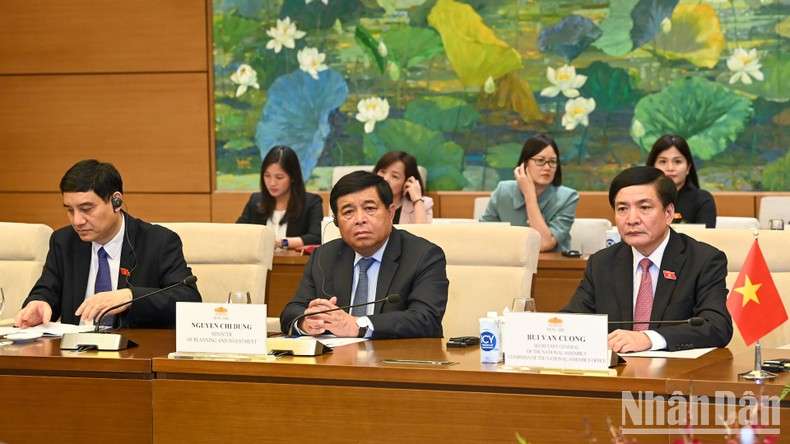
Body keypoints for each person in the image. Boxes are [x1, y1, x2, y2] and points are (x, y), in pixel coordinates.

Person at [562, 166, 732, 352]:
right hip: (618, 368)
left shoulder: (703, 260)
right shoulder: (601, 263)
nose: (631, 219)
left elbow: (717, 326)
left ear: (668, 213)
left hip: (675, 369)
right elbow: (572, 320)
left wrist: (649, 338)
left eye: (644, 207)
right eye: (622, 209)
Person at [15, 159, 201, 329]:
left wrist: (130, 296)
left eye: (86, 209)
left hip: (134, 350)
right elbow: (47, 290)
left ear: (116, 202)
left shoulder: (158, 241)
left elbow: (188, 299)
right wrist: (39, 303)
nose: (77, 221)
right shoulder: (64, 241)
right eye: (70, 210)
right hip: (74, 350)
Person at [280, 171, 449, 339]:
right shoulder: (323, 256)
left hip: (397, 354)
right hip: (336, 355)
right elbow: (292, 311)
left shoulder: (424, 256)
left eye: (369, 209)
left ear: (390, 212)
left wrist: (357, 325)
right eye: (348, 212)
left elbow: (426, 319)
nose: (359, 219)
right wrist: (306, 322)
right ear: (336, 221)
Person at [480, 134, 579, 252]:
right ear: (524, 163)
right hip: (507, 260)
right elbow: (483, 235)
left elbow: (543, 244)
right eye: (540, 160)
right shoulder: (503, 191)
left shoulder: (568, 198)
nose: (547, 167)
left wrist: (530, 196)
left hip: (550, 263)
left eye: (552, 161)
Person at [236, 145, 323, 248]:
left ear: (293, 177)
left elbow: (316, 237)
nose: (272, 183)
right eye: (267, 176)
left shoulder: (311, 203)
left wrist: (282, 242)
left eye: (279, 177)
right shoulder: (255, 201)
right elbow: (237, 232)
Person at [646, 134, 716, 228]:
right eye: (663, 161)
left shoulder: (703, 200)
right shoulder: (642, 199)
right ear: (653, 166)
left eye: (677, 161)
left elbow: (706, 236)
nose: (670, 168)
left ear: (688, 168)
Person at [373, 151, 433, 224]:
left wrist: (417, 200)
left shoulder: (423, 204)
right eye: (383, 172)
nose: (385, 178)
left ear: (407, 181)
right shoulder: (364, 200)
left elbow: (423, 231)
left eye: (394, 176)